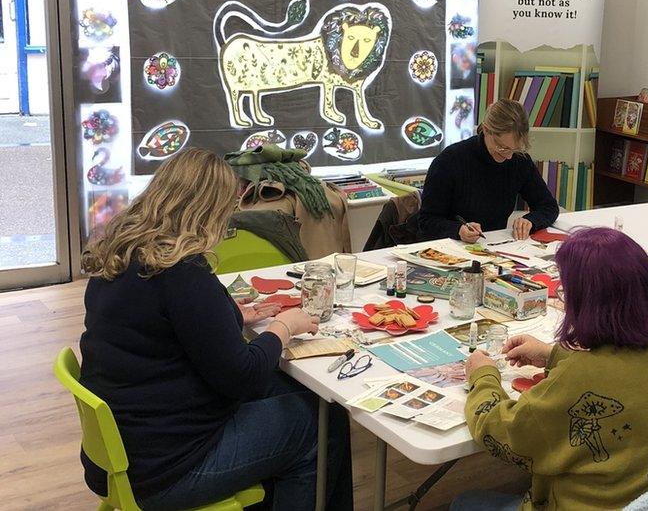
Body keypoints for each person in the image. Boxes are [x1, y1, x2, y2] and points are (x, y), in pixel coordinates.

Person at [78, 148, 352, 511]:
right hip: (166, 471)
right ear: (208, 211)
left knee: (297, 389)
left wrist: (233, 315)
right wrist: (284, 327)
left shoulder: (121, 255)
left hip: (124, 452)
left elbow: (167, 328)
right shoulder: (182, 275)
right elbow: (243, 377)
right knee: (321, 422)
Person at [456, 228, 648, 510]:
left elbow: (503, 433)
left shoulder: (579, 379)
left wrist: (482, 375)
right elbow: (621, 372)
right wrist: (552, 354)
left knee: (466, 502)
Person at [417, 99, 559, 243]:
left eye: (514, 148)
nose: (508, 156)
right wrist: (458, 230)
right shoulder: (450, 160)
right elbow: (426, 221)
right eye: (501, 147)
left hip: (494, 247)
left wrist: (531, 221)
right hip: (447, 249)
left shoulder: (519, 160)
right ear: (486, 129)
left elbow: (548, 206)